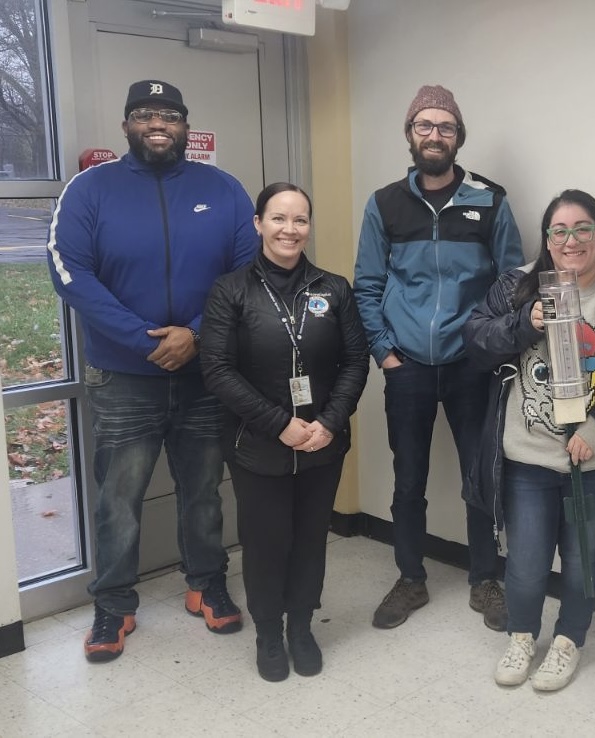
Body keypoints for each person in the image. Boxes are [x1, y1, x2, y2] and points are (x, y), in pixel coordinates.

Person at [46, 80, 256, 661]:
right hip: (123, 378)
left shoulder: (225, 190)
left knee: (204, 491)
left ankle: (205, 583)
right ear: (126, 126)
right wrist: (143, 341)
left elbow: (245, 272)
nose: (156, 122)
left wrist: (195, 332)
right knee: (118, 497)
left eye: (168, 114)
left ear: (186, 126)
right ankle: (113, 604)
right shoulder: (90, 190)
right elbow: (69, 273)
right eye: (144, 114)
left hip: (203, 372)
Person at [463, 190, 595, 692]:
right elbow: (474, 341)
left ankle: (569, 640)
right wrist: (519, 322)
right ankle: (522, 635)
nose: (571, 240)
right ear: (547, 240)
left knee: (581, 561)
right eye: (559, 231)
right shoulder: (515, 286)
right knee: (527, 563)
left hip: (592, 462)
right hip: (528, 457)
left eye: (583, 229)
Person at [353, 84, 523, 631]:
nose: (434, 135)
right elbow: (367, 285)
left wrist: (490, 347)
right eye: (424, 125)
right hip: (407, 365)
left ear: (458, 138)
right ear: (410, 135)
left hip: (471, 366)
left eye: (445, 127)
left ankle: (485, 579)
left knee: (481, 475)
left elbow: (513, 284)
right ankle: (410, 578)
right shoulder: (385, 204)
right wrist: (385, 353)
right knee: (409, 478)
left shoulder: (489, 200)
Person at [200, 182, 369, 682]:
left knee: (311, 539)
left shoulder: (333, 289)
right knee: (267, 540)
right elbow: (217, 370)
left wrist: (330, 422)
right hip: (258, 447)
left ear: (308, 227)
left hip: (322, 444)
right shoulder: (230, 290)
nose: (289, 229)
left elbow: (356, 361)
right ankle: (269, 632)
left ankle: (301, 627)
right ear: (258, 224)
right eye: (278, 218)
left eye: (300, 220)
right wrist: (279, 425)